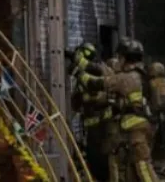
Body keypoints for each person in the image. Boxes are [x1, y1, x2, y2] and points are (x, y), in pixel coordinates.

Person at [75, 38, 158, 182]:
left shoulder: (125, 78)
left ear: (124, 58)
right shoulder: (141, 75)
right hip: (138, 129)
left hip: (135, 131)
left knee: (143, 167)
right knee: (129, 168)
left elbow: (95, 83)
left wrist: (79, 74)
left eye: (119, 57)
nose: (117, 61)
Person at [66, 43, 113, 181]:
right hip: (94, 127)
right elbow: (76, 103)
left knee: (100, 160)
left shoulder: (98, 70)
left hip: (100, 126)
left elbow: (91, 85)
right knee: (96, 160)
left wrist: (77, 71)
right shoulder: (97, 69)